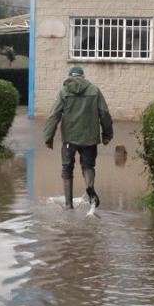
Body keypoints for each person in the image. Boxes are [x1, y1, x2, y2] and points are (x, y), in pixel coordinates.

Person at [43, 66, 113, 209]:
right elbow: (104, 113)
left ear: (70, 76)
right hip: (90, 139)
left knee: (67, 168)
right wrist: (107, 134)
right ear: (83, 76)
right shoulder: (94, 90)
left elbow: (54, 115)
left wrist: (48, 138)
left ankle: (68, 205)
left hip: (69, 139)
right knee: (88, 166)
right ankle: (89, 187)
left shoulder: (64, 91)